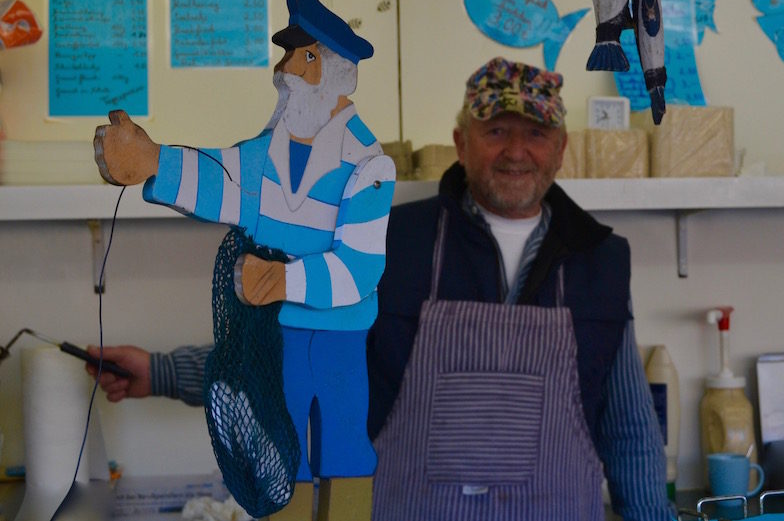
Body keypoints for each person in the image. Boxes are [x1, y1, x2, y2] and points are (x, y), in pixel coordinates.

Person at [91, 57, 677, 521]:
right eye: (496, 130)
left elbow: (628, 426)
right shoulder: (394, 240)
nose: (516, 151)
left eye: (536, 132)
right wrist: (164, 372)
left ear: (561, 146)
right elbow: (295, 352)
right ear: (461, 140)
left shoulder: (600, 260)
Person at [92, 0, 395, 492]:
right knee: (283, 447)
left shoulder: (368, 163)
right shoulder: (264, 153)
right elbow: (221, 179)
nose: (286, 71)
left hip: (338, 338)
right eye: (289, 56)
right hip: (273, 334)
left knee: (341, 442)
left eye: (304, 57)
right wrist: (153, 163)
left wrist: (284, 279)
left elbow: (360, 270)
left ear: (336, 70)